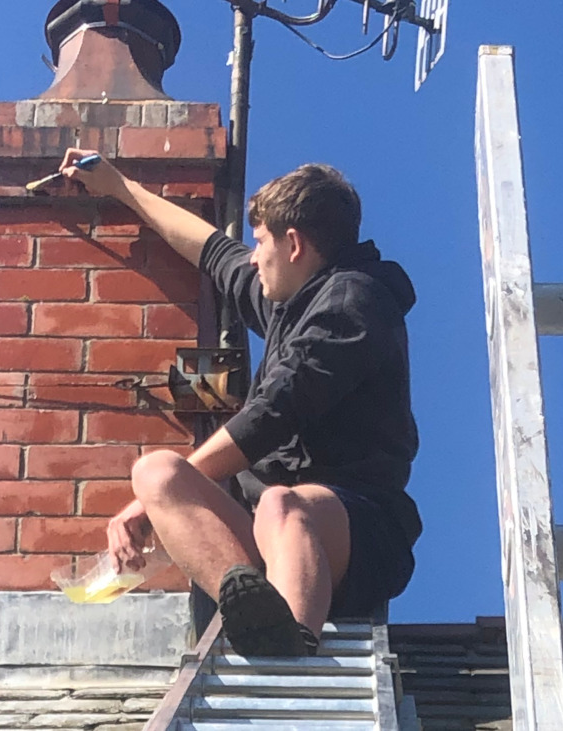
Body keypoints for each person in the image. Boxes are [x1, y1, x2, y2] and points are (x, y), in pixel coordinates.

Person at [59, 149, 421, 657]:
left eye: (261, 241)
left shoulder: (353, 304)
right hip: (267, 543)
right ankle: (258, 611)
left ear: (293, 244)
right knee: (158, 473)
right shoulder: (287, 303)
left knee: (282, 503)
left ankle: (291, 652)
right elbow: (212, 252)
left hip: (356, 535)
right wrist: (119, 186)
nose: (253, 256)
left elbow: (273, 413)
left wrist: (141, 513)